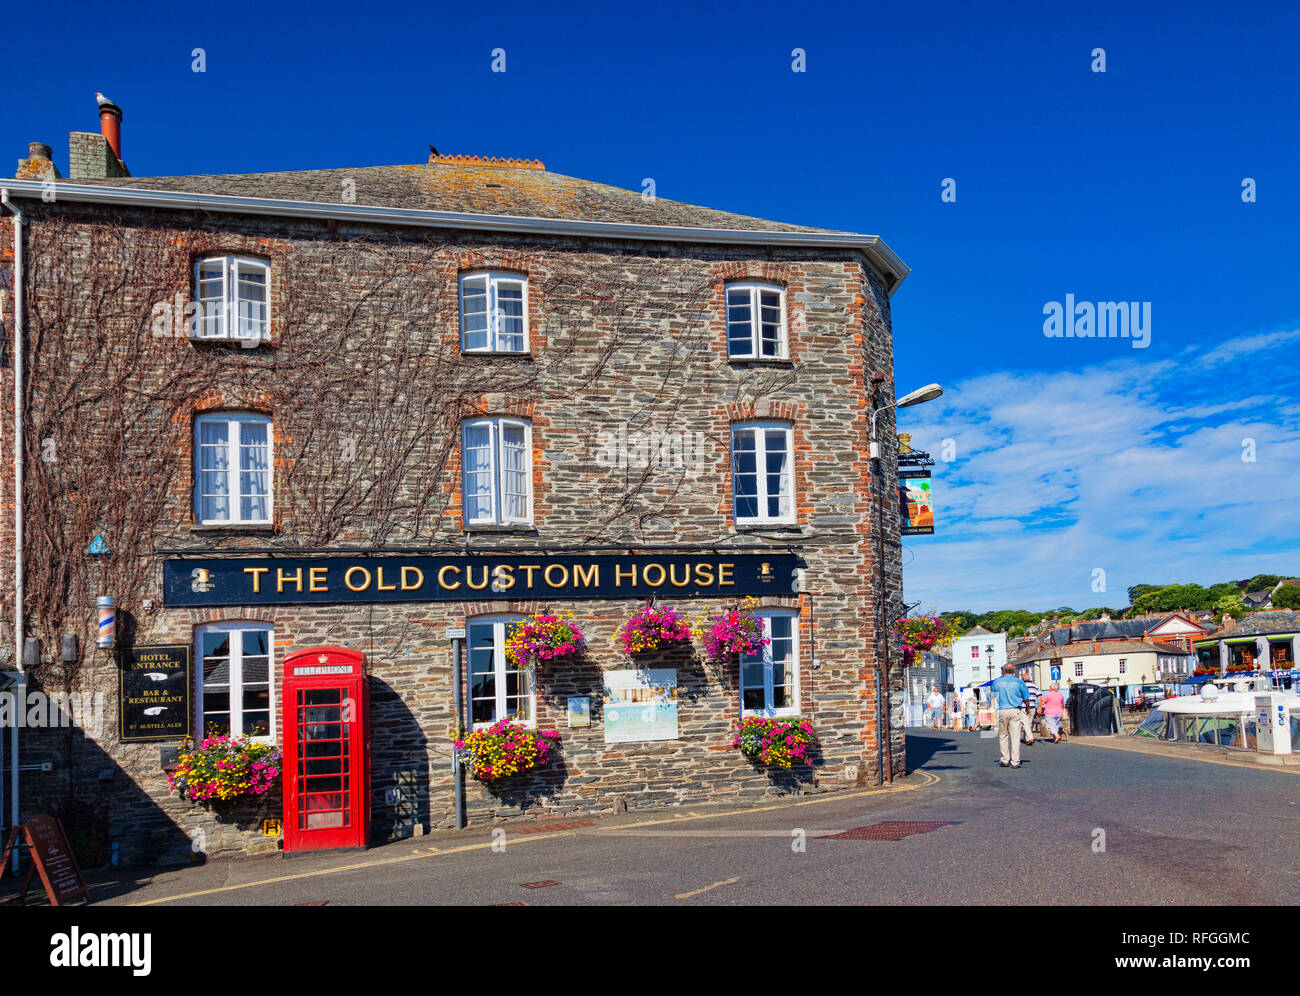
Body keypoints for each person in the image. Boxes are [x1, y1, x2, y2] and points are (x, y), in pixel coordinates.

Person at [990, 662, 1031, 768]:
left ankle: (1004, 759)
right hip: (1015, 710)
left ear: (1004, 671)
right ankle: (1015, 761)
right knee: (1015, 736)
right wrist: (1027, 708)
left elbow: (992, 698)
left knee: (1003, 735)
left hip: (1002, 710)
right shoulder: (1019, 682)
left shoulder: (996, 682)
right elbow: (1026, 698)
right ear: (1013, 671)